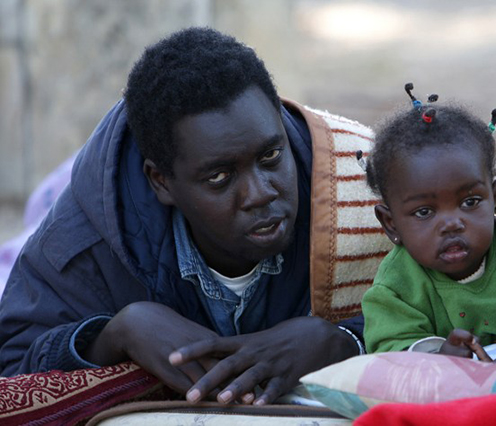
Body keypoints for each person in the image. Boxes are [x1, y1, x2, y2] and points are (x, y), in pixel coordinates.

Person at [0, 27, 373, 405]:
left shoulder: (362, 188)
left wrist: (345, 340)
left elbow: (434, 326)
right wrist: (114, 335)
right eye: (219, 177)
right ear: (161, 182)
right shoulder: (81, 243)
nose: (261, 193)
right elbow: (11, 377)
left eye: (271, 157)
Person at [360, 84, 496, 362]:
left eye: (470, 202)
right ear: (390, 224)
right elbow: (390, 352)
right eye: (425, 212)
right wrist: (442, 358)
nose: (452, 223)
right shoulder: (396, 284)